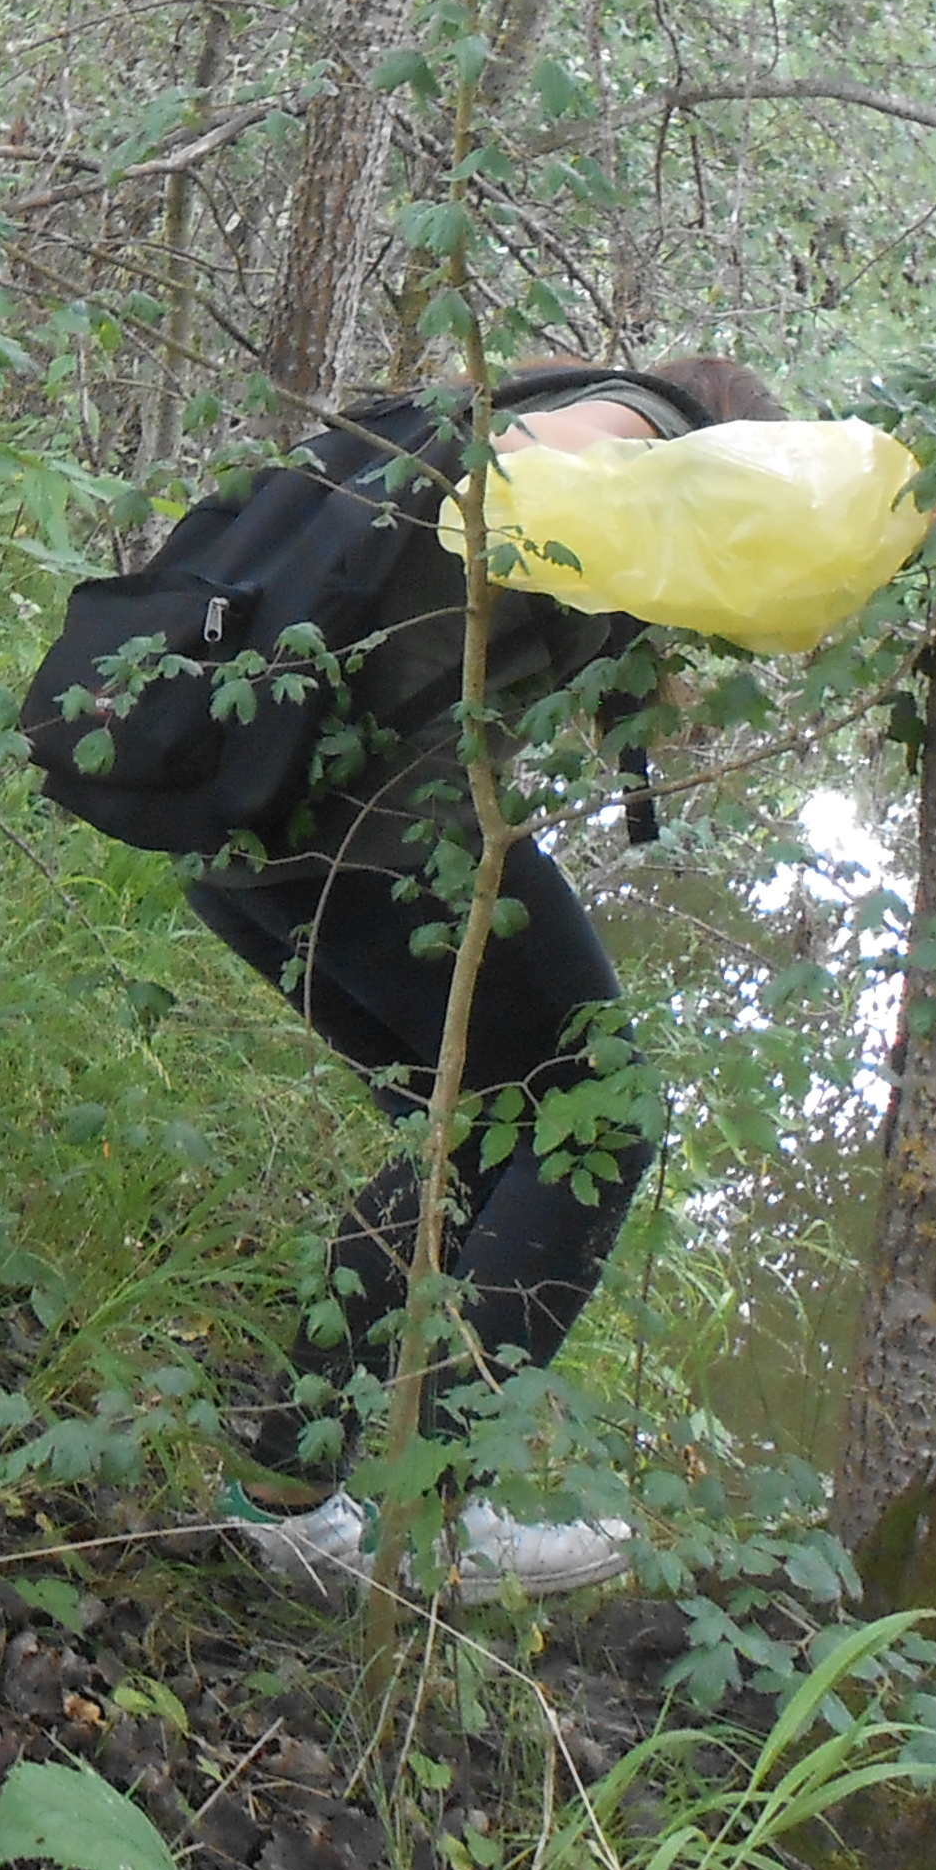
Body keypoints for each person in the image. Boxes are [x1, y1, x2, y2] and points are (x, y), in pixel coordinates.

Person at [196, 350, 785, 1603]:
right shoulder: (644, 421)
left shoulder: (498, 410)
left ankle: (285, 1504)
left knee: (470, 1134)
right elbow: (520, 472)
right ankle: (438, 1521)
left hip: (237, 817)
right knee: (603, 1113)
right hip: (372, 834)